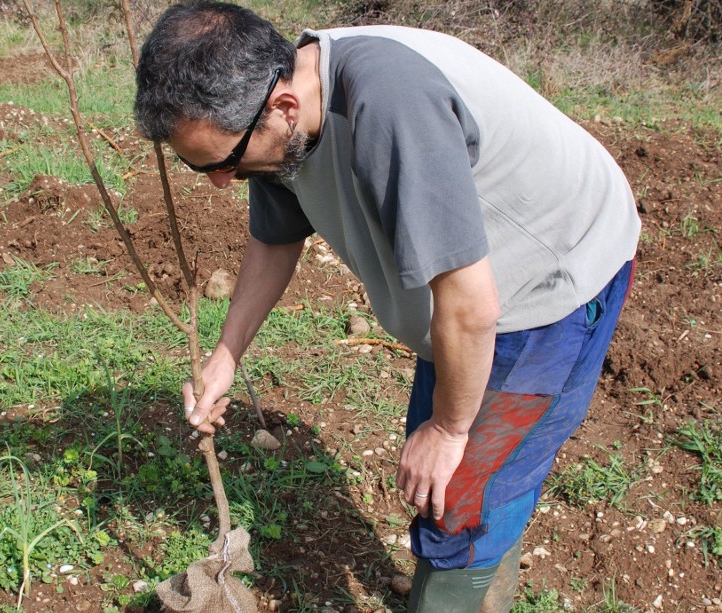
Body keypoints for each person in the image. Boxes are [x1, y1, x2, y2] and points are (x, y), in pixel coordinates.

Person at [134, 2, 641, 611]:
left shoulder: (390, 106)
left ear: (283, 108)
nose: (220, 182)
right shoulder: (275, 112)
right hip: (465, 299)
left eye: (222, 164)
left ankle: (461, 584)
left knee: (458, 497)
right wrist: (224, 358)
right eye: (202, 168)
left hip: (548, 279)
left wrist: (452, 430)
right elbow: (275, 239)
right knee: (450, 485)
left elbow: (470, 307)